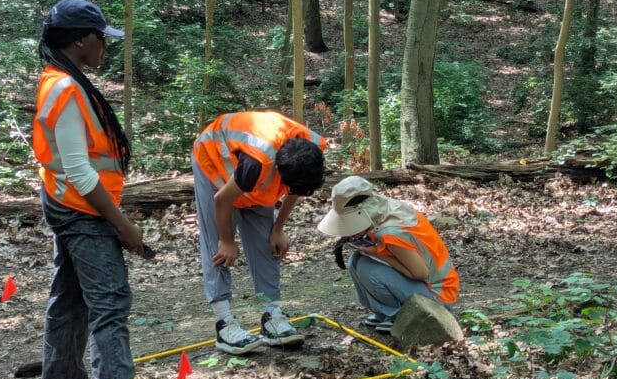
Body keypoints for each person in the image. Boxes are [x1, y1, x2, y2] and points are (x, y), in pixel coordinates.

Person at [33, 0, 175, 379]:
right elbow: (79, 169)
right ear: (81, 41)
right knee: (109, 304)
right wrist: (122, 225)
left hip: (66, 202)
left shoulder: (61, 80)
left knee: (70, 295)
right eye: (101, 38)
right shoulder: (65, 89)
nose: (105, 47)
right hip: (83, 209)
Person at [192, 110, 327, 353]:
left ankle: (271, 315)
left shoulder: (309, 153)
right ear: (279, 171)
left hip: (256, 172)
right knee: (218, 248)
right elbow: (222, 200)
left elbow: (295, 188)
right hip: (213, 161)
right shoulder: (257, 163)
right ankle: (224, 323)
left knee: (267, 242)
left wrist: (278, 228)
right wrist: (227, 240)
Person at [317, 176, 459, 332]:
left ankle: (398, 315)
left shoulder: (390, 232)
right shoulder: (385, 209)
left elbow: (420, 273)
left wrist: (380, 255)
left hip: (437, 297)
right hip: (427, 287)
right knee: (355, 260)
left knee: (367, 268)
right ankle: (383, 313)